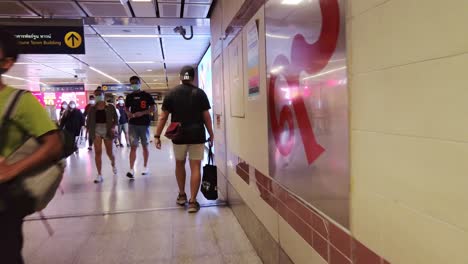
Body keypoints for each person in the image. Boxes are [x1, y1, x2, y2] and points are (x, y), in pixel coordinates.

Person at [0, 29, 63, 263]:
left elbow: (54, 144)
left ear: (6, 63)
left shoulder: (21, 101)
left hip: (4, 205)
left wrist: (12, 170)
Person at [154, 66, 214, 213]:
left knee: (179, 164)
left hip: (179, 136)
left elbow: (163, 117)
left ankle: (182, 195)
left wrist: (157, 135)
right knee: (195, 167)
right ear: (193, 77)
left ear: (181, 77)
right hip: (197, 135)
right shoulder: (200, 93)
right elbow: (206, 117)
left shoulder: (172, 94)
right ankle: (193, 202)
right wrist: (211, 134)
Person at [125, 76, 156, 178]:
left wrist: (142, 113)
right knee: (133, 146)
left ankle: (145, 167)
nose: (134, 84)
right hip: (133, 124)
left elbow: (153, 108)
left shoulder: (146, 95)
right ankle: (131, 169)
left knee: (145, 146)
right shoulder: (129, 97)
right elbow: (126, 108)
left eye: (136, 82)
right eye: (132, 83)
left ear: (139, 83)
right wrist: (128, 113)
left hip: (144, 124)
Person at [86, 87, 118, 183]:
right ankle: (99, 174)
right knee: (98, 152)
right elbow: (89, 120)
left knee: (109, 152)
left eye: (100, 94)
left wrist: (113, 127)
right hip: (96, 129)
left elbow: (116, 119)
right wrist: (88, 131)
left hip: (107, 129)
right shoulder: (92, 108)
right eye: (96, 95)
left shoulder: (110, 106)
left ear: (103, 95)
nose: (98, 96)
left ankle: (113, 163)